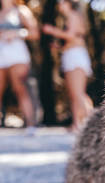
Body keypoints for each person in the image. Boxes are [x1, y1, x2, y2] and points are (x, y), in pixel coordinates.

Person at [43, 0, 93, 132]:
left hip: (76, 57)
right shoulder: (70, 18)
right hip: (71, 56)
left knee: (78, 93)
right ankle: (77, 123)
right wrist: (59, 47)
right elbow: (72, 39)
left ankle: (89, 123)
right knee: (74, 93)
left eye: (61, 2)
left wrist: (51, 30)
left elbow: (71, 36)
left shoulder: (73, 15)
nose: (59, 5)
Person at [0, 0, 39, 131]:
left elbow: (35, 33)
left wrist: (16, 33)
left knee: (20, 88)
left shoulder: (21, 10)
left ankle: (30, 125)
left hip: (17, 54)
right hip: (1, 53)